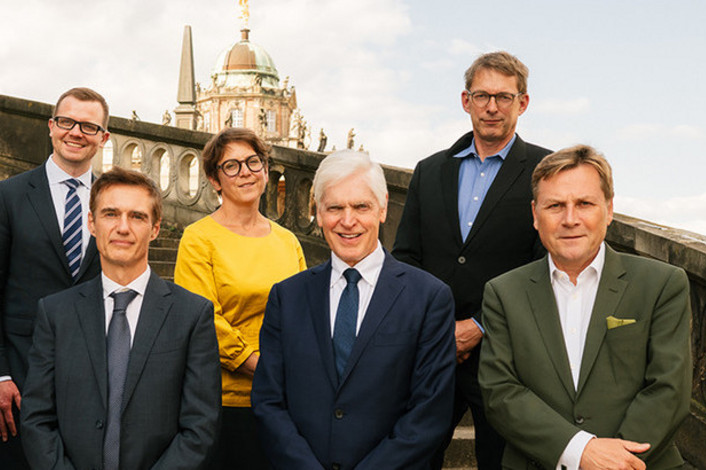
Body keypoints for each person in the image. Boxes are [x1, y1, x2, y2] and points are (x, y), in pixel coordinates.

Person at [479, 145, 691, 470]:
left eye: (584, 204)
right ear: (535, 214)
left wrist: (617, 463)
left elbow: (669, 388)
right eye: (555, 206)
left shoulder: (663, 284)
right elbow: (500, 392)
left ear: (609, 209)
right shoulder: (503, 293)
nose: (570, 219)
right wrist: (580, 452)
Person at [391, 50, 550, 470]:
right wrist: (436, 328)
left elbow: (545, 265)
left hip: (507, 357)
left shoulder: (546, 171)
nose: (492, 107)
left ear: (523, 103)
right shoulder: (429, 170)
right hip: (432, 351)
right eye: (482, 96)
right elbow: (405, 259)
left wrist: (479, 326)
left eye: (503, 96)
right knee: (411, 459)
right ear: (466, 101)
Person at [252, 150, 456, 469]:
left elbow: (429, 414)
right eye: (335, 208)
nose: (348, 221)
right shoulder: (287, 297)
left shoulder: (429, 298)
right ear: (318, 212)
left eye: (361, 206)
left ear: (383, 208)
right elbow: (269, 403)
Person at [21, 168, 221, 470]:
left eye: (137, 216)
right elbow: (36, 417)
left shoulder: (192, 315)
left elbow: (200, 425)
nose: (123, 227)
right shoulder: (55, 313)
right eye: (111, 214)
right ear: (92, 223)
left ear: (155, 229)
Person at [0, 87, 109, 469]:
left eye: (88, 126)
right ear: (51, 126)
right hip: (18, 381)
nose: (75, 132)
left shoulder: (113, 204)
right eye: (67, 122)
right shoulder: (6, 196)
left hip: (92, 385)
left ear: (103, 137)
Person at [174, 128, 307, 469]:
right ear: (214, 180)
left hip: (286, 399)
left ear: (266, 169)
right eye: (231, 166)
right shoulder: (198, 238)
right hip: (225, 403)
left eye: (253, 162)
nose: (245, 172)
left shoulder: (288, 241)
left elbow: (306, 315)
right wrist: (261, 366)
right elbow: (202, 319)